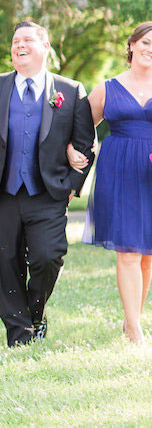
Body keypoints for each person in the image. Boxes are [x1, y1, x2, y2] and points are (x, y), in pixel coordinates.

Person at [0, 21, 96, 347]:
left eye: (28, 39)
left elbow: (87, 143)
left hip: (48, 192)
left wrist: (73, 184)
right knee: (6, 264)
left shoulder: (70, 91)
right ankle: (19, 334)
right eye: (15, 40)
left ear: (46, 48)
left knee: (48, 256)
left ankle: (36, 315)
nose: (19, 45)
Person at [81, 21, 152, 344]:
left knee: (147, 253)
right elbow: (83, 126)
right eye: (146, 42)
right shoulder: (107, 87)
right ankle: (135, 329)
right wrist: (75, 152)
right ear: (132, 44)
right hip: (119, 170)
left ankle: (131, 320)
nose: (150, 49)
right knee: (128, 251)